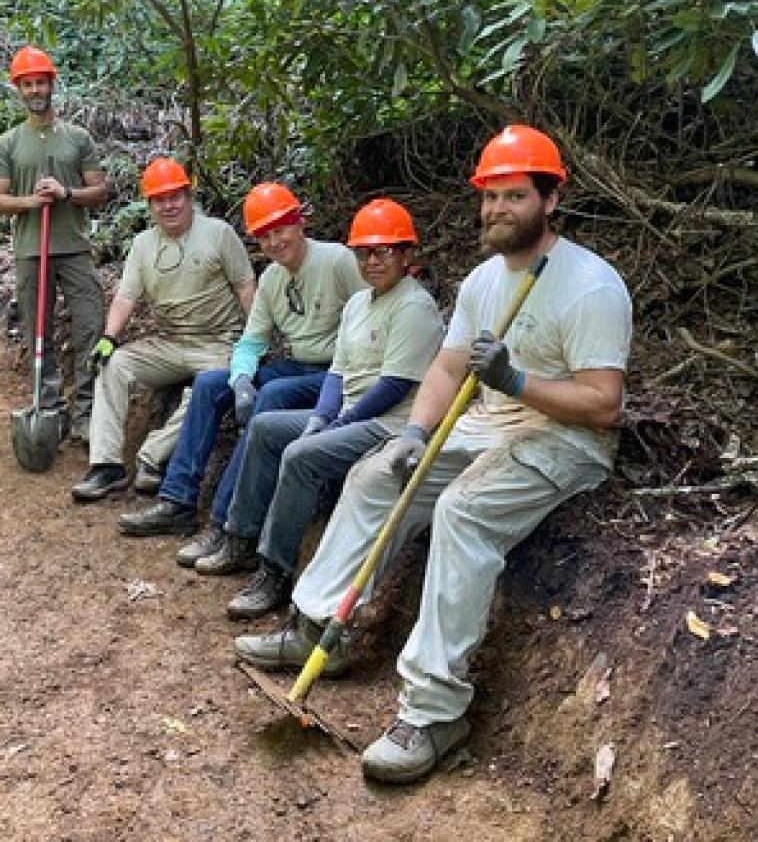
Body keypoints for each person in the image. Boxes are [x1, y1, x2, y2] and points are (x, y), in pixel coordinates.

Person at [234, 125, 633, 787]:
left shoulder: (590, 285)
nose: (498, 209)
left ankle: (434, 712)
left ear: (551, 198)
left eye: (514, 196)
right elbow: (447, 370)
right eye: (489, 197)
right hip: (486, 425)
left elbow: (603, 405)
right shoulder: (483, 281)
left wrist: (517, 382)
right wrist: (416, 434)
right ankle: (317, 629)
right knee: (374, 472)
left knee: (461, 511)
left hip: (566, 441)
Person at [207, 199, 444, 619]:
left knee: (300, 456)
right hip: (348, 413)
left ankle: (275, 570)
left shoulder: (414, 306)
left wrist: (337, 425)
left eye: (383, 251)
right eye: (364, 253)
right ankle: (239, 537)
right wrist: (321, 418)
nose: (372, 262)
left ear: (407, 255)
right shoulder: (358, 303)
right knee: (264, 427)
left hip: (387, 424)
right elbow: (336, 374)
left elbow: (394, 385)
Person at [117, 183, 364, 541]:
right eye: (265, 236)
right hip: (299, 365)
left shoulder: (336, 261)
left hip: (337, 372)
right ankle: (178, 501)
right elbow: (251, 340)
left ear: (299, 225)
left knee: (273, 395)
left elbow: (369, 313)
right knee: (208, 385)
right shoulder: (272, 279)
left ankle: (225, 522)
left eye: (280, 230)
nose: (275, 242)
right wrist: (242, 379)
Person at [71, 158, 256, 503]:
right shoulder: (143, 244)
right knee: (113, 366)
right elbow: (127, 296)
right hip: (169, 341)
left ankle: (151, 457)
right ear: (150, 205)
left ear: (188, 196)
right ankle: (107, 465)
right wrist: (109, 339)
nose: (169, 206)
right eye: (160, 199)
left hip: (218, 343)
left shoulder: (218, 234)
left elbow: (246, 286)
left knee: (206, 389)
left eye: (175, 197)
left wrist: (255, 343)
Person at [0, 46, 110, 443]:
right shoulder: (9, 143)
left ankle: (88, 411)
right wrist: (31, 201)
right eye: (28, 84)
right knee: (36, 331)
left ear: (51, 85)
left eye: (41, 81)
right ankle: (50, 407)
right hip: (29, 250)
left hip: (73, 247)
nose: (35, 89)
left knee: (90, 327)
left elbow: (99, 192)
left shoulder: (78, 138)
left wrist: (64, 193)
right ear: (19, 90)